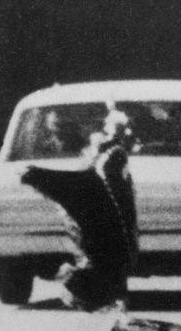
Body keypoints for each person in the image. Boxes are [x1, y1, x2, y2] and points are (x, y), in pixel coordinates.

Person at [21, 109, 138, 310]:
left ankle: (102, 297)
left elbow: (78, 187)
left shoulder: (105, 160)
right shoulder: (107, 157)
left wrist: (35, 176)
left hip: (105, 249)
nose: (53, 141)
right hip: (112, 249)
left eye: (57, 134)